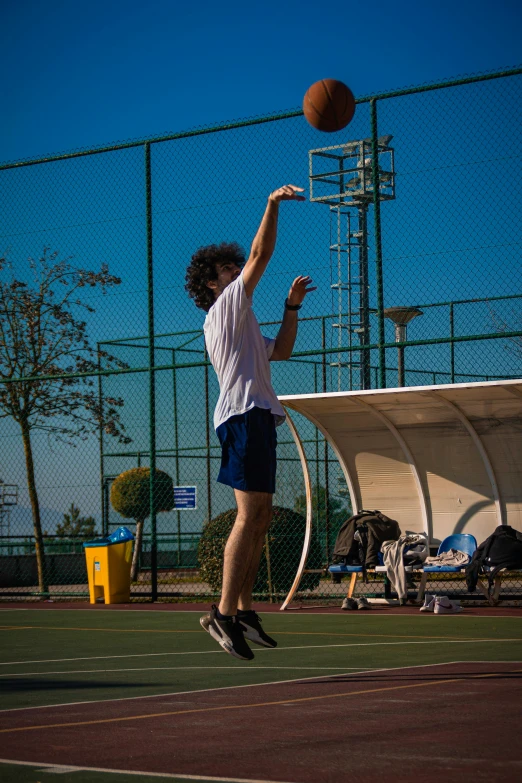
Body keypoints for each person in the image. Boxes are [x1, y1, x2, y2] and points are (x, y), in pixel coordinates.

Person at [184, 184, 315, 660]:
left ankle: (240, 611)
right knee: (248, 516)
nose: (236, 269)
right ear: (213, 285)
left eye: (233, 265)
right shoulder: (225, 308)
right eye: (226, 269)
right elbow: (261, 251)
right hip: (242, 417)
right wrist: (271, 204)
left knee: (259, 518)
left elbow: (281, 351)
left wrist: (291, 308)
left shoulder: (244, 322)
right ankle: (221, 613)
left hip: (256, 418)